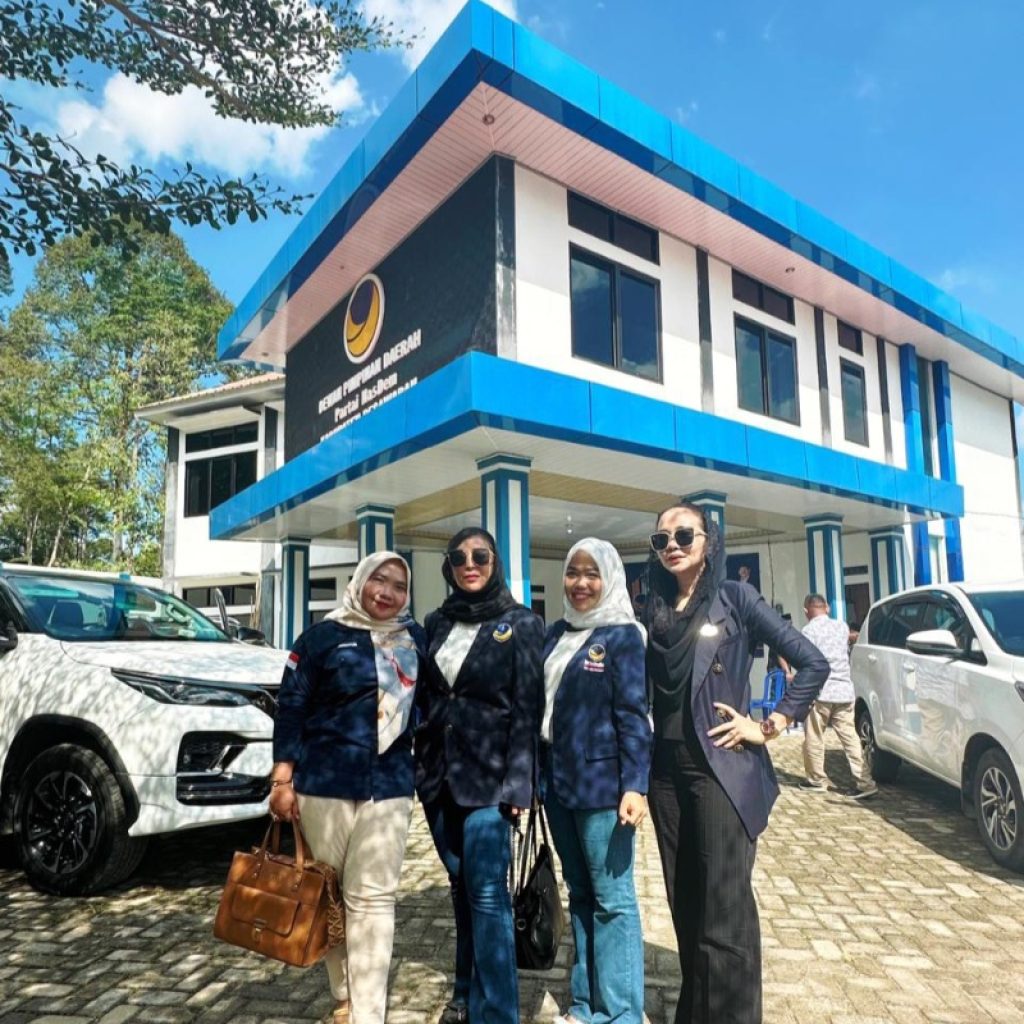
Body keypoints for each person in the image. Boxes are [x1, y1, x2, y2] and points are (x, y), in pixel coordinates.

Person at [644, 501, 830, 1024]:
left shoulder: (735, 598)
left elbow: (813, 663)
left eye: (685, 535)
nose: (673, 545)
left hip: (721, 768)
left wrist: (769, 725)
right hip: (665, 775)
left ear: (708, 541)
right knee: (686, 905)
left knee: (724, 914)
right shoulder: (654, 609)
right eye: (662, 540)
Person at [269, 552, 424, 1024]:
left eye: (399, 585)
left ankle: (368, 1013)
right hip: (324, 785)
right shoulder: (321, 638)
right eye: (379, 579)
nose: (388, 592)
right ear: (359, 582)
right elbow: (292, 706)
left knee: (374, 900)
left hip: (389, 787)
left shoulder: (414, 639)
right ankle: (344, 996)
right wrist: (282, 778)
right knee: (328, 895)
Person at [415, 527, 544, 1024]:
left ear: (495, 562)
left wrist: (520, 782)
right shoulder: (437, 622)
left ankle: (498, 1013)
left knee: (488, 894)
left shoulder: (521, 623)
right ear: (448, 566)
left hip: (492, 781)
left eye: (480, 556)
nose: (469, 564)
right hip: (439, 778)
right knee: (460, 886)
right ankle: (465, 994)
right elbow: (428, 694)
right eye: (459, 557)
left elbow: (527, 708)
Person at [542, 538, 651, 1024]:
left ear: (610, 578)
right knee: (580, 895)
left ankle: (621, 1012)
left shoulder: (624, 635)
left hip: (604, 789)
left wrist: (635, 785)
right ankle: (586, 1005)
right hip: (558, 785)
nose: (581, 583)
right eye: (573, 572)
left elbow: (633, 715)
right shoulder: (556, 634)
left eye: (592, 573)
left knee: (614, 902)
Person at [798, 593, 878, 798]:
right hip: (844, 691)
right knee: (850, 738)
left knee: (814, 737)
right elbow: (851, 639)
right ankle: (865, 782)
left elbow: (805, 661)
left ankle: (816, 780)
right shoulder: (841, 627)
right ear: (827, 608)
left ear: (806, 611)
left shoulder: (808, 631)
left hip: (820, 692)